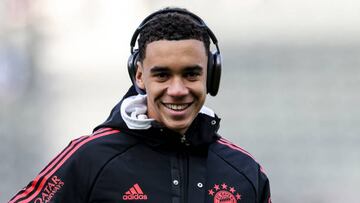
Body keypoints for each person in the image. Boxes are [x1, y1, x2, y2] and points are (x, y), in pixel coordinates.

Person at [9, 7, 271, 203]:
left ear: (211, 76)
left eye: (191, 74)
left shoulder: (245, 171)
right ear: (139, 76)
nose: (177, 90)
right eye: (162, 75)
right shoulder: (89, 158)